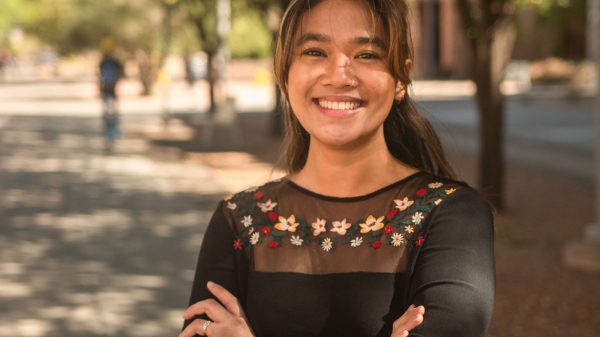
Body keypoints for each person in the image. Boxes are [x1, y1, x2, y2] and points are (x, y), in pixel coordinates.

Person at [181, 0, 495, 336]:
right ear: (285, 73)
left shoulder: (451, 215)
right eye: (315, 52)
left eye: (367, 54)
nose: (339, 76)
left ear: (401, 79)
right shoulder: (239, 220)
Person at [98, 38, 124, 148]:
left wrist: (116, 84)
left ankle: (114, 131)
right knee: (106, 113)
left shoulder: (116, 63)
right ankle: (108, 132)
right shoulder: (103, 62)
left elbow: (120, 74)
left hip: (113, 90)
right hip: (106, 90)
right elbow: (99, 75)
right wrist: (99, 87)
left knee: (114, 112)